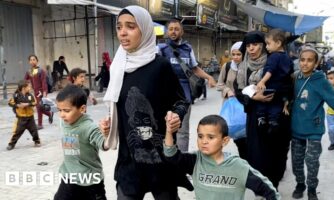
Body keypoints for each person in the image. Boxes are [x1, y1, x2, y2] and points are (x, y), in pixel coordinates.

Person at [99, 6, 192, 199]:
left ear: (145, 29)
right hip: (129, 160)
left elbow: (181, 102)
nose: (122, 32)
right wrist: (109, 126)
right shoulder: (117, 67)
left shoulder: (160, 67)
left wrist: (177, 116)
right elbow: (118, 109)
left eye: (130, 26)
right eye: (119, 27)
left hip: (160, 159)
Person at [163, 114, 280, 200]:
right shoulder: (195, 161)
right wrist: (169, 131)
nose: (204, 141)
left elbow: (269, 191)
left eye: (210, 137)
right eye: (200, 136)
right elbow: (171, 156)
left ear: (225, 141)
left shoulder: (238, 166)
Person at [233, 31, 291, 189]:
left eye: (256, 45)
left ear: (264, 46)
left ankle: (274, 185)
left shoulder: (274, 61)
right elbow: (238, 91)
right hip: (254, 117)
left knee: (277, 153)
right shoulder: (243, 68)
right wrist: (253, 97)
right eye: (248, 45)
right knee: (257, 154)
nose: (251, 48)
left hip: (276, 115)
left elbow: (287, 84)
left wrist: (274, 95)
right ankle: (263, 186)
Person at [291, 47, 334, 200]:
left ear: (316, 63)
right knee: (296, 161)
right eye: (302, 60)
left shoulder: (320, 81)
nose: (305, 63)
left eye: (310, 60)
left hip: (314, 129)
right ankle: (300, 184)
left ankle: (311, 188)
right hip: (296, 128)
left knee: (312, 161)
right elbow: (284, 94)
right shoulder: (294, 77)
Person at [158, 18, 216, 152]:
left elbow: (195, 68)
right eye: (171, 29)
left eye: (176, 29)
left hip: (184, 95)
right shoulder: (161, 49)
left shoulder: (187, 48)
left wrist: (209, 77)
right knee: (164, 128)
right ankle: (165, 158)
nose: (173, 32)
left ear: (182, 32)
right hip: (164, 95)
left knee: (183, 131)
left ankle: (181, 161)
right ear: (167, 31)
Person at [54, 84, 108, 200]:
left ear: (82, 109)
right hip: (69, 176)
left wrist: (106, 134)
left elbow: (104, 145)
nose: (62, 115)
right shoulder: (64, 122)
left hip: (90, 182)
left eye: (66, 111)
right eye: (59, 110)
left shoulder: (89, 127)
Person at [256, 29, 294, 131]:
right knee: (276, 104)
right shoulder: (287, 57)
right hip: (282, 89)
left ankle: (261, 118)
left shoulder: (274, 56)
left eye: (268, 43)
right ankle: (273, 121)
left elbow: (270, 70)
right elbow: (291, 74)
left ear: (278, 43)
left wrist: (262, 81)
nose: (266, 46)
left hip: (271, 86)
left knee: (263, 101)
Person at [216, 41, 247, 159]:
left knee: (247, 138)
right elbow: (219, 84)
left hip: (245, 106)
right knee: (237, 137)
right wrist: (227, 90)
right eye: (233, 54)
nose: (235, 57)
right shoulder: (227, 66)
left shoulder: (249, 67)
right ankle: (243, 162)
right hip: (231, 107)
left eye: (238, 54)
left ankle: (248, 164)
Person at [7, 80, 40, 150]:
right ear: (23, 87)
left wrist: (28, 104)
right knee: (17, 132)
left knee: (34, 130)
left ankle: (37, 141)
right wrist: (17, 105)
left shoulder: (30, 95)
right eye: (29, 86)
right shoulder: (16, 95)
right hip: (21, 118)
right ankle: (11, 144)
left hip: (30, 117)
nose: (30, 88)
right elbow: (10, 103)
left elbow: (35, 102)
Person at [24, 55, 54, 130]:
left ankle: (40, 124)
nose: (32, 61)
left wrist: (44, 93)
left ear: (37, 61)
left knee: (38, 107)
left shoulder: (41, 70)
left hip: (41, 91)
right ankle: (49, 114)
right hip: (35, 91)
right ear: (29, 62)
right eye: (31, 60)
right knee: (39, 107)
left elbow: (44, 82)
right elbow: (25, 80)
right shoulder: (29, 71)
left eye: (34, 59)